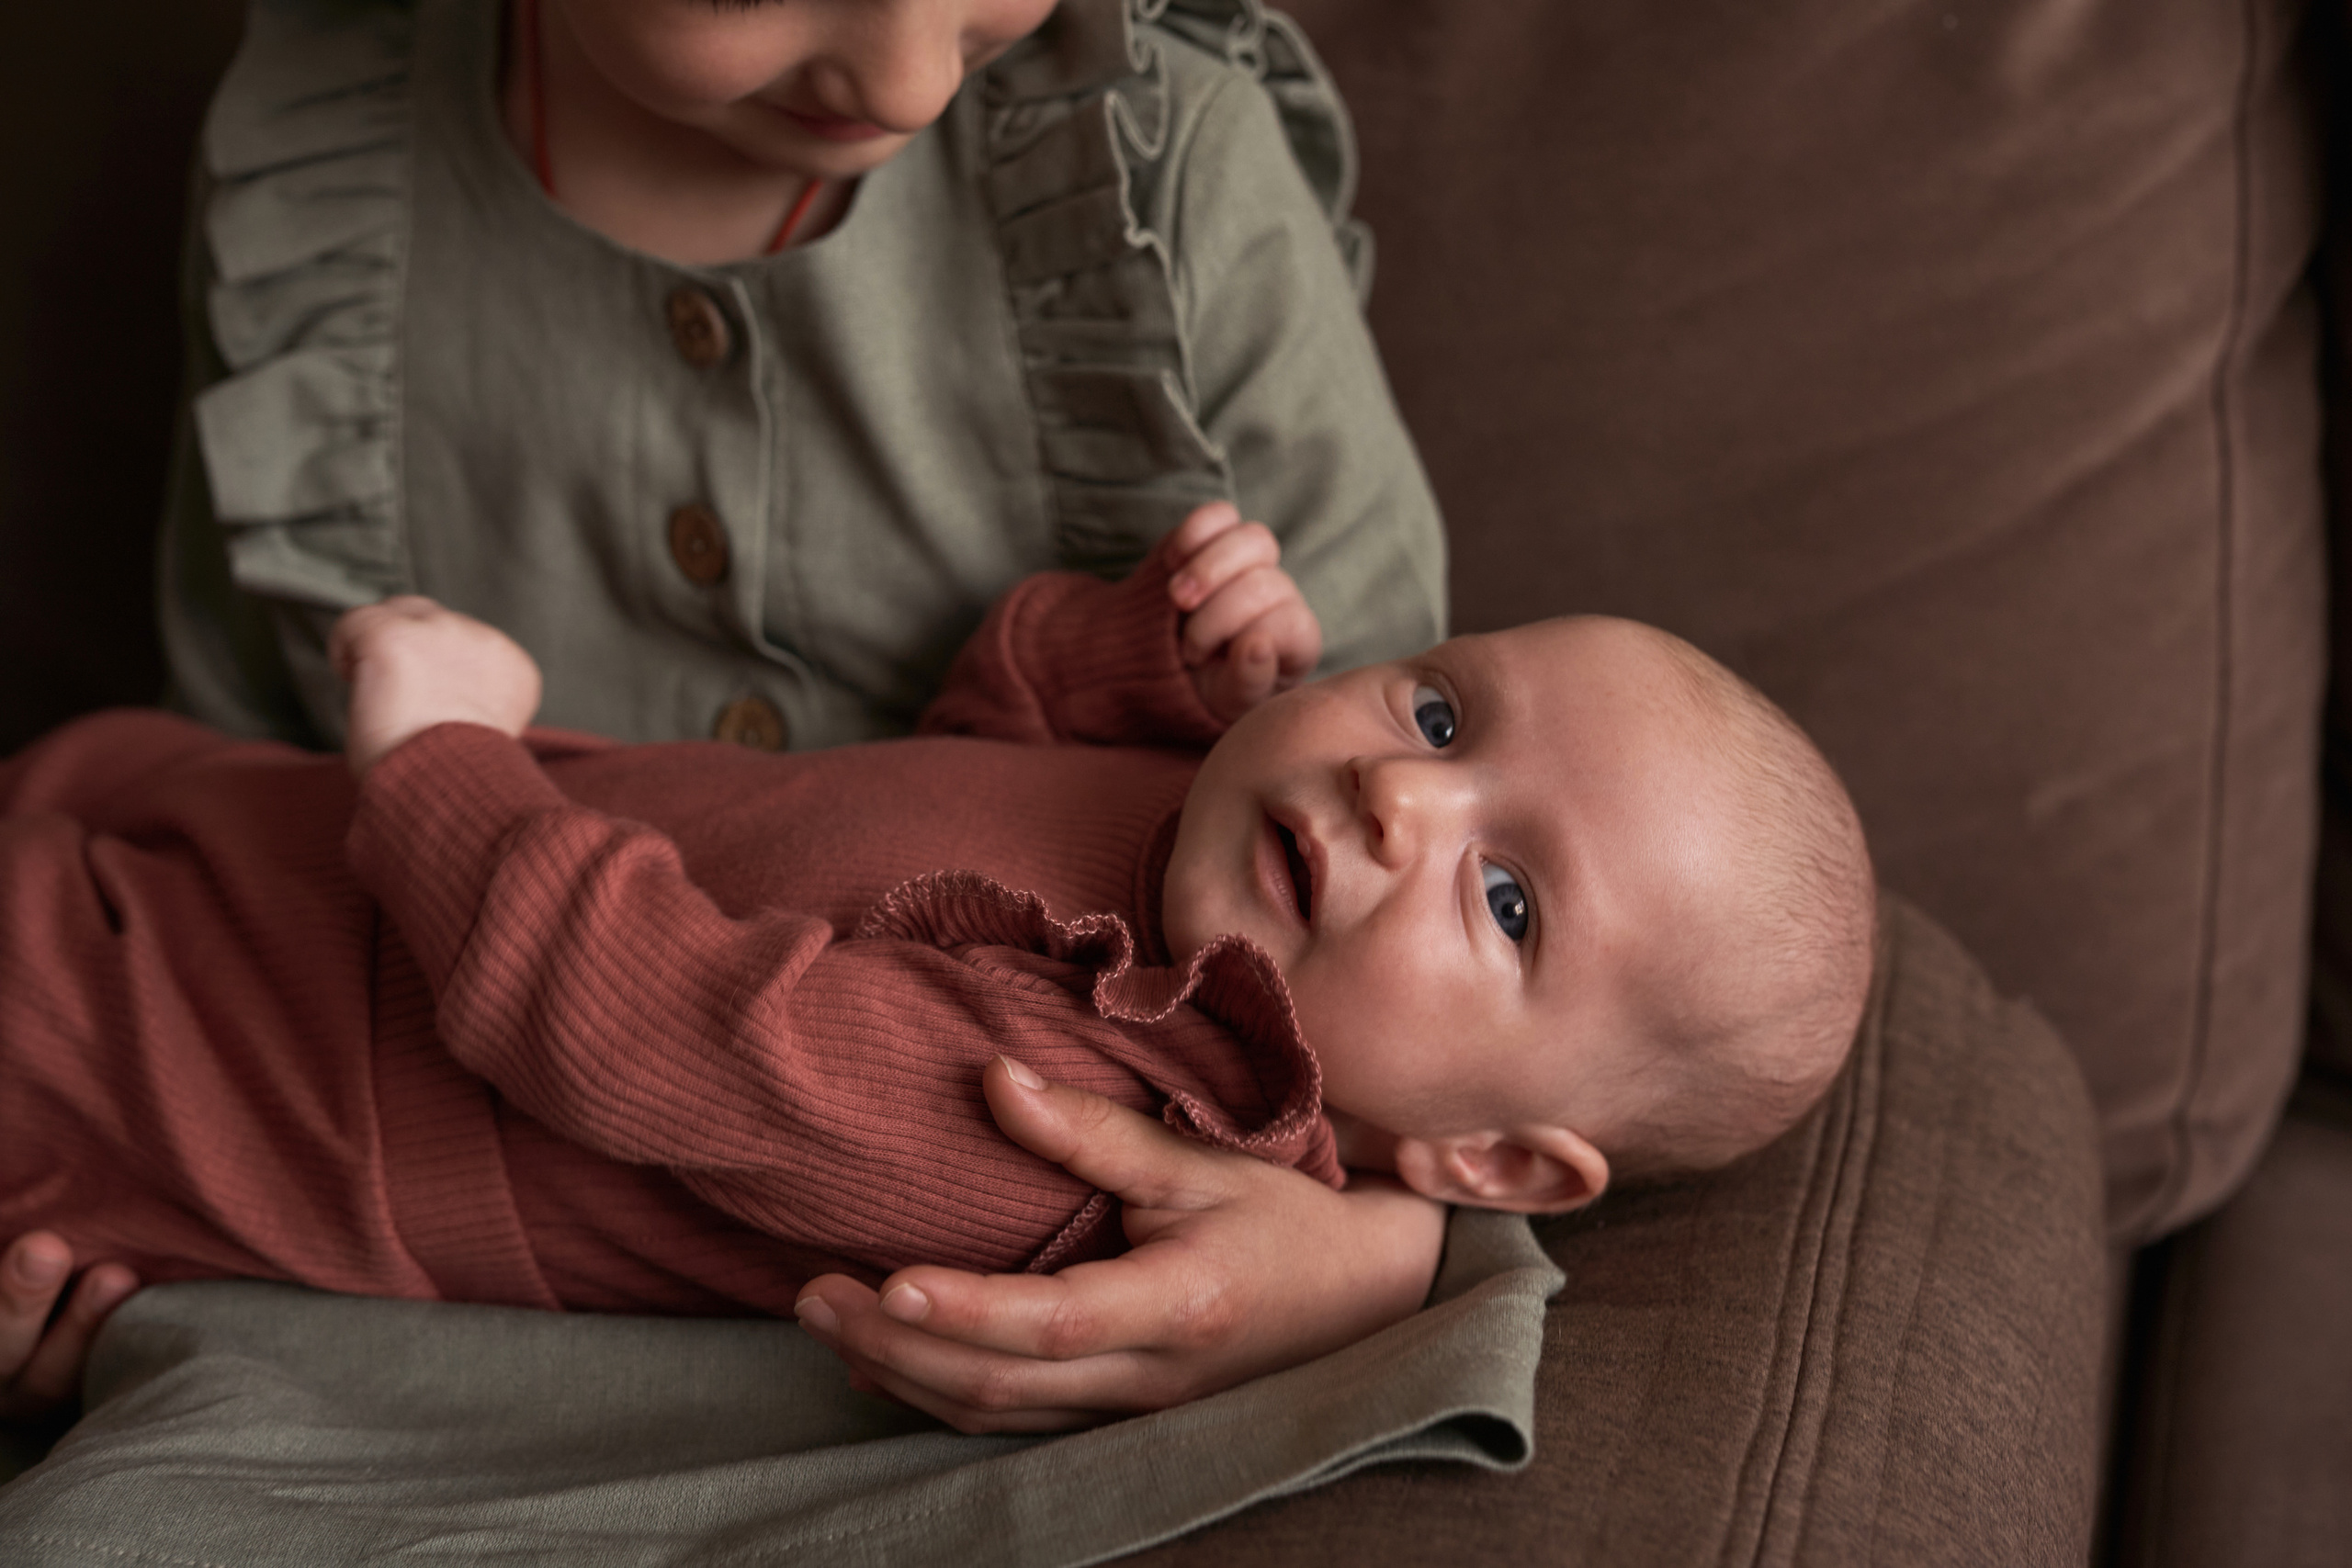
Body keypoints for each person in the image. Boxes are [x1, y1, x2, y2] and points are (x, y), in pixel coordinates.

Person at [96, 0, 1450, 1428]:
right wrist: (134, 1258)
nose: (909, 83)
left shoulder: (1151, 167)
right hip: (352, 1246)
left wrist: (1372, 1257)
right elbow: (230, 785)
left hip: (930, 1359)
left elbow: (1504, 947)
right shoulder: (322, 163)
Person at [0, 511, 1873, 1354]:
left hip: (286, 1078)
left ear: (1492, 1159)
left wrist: (439, 757)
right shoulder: (1201, 841)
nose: (1401, 795)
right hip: (312, 867)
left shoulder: (1078, 1119)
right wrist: (1130, 653)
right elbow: (948, 763)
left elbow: (641, 1030)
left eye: (1508, 898)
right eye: (1444, 714)